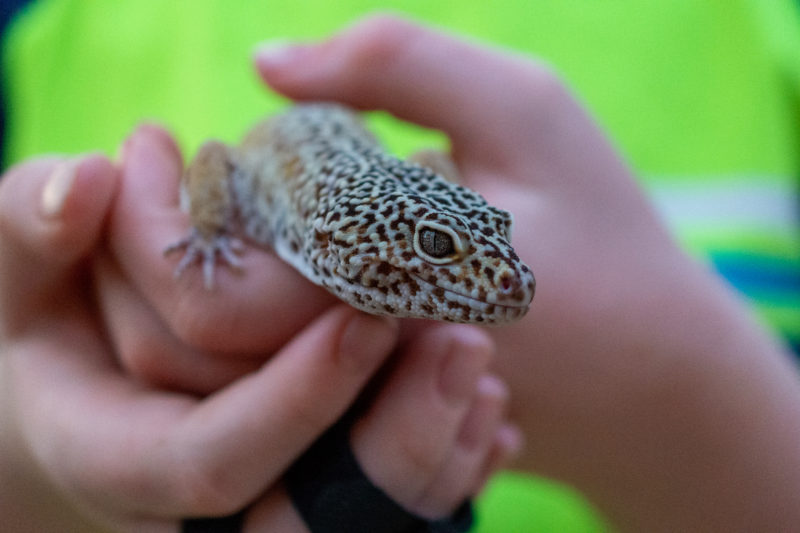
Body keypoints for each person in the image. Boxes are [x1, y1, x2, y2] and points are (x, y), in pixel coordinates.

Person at [3, 6, 800, 533]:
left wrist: (687, 402)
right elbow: (213, 158)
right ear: (349, 240)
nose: (511, 283)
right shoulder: (293, 202)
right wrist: (30, 471)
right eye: (440, 252)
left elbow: (433, 182)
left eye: (482, 244)